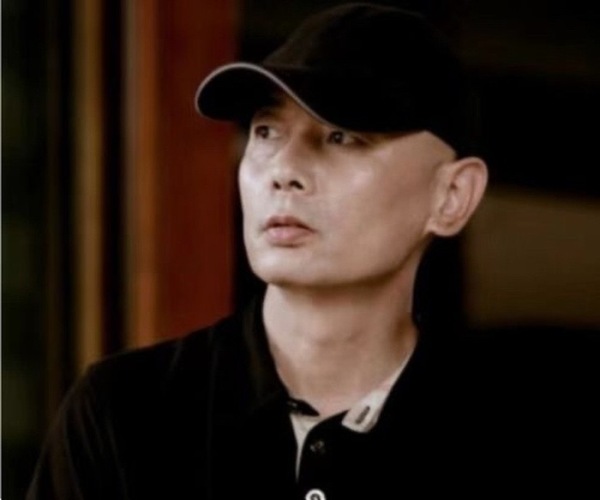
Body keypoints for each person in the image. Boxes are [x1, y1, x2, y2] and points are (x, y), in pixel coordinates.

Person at [27, 3, 599, 499]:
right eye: (266, 131)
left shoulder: (523, 442)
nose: (284, 170)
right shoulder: (124, 415)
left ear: (452, 196)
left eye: (341, 136)